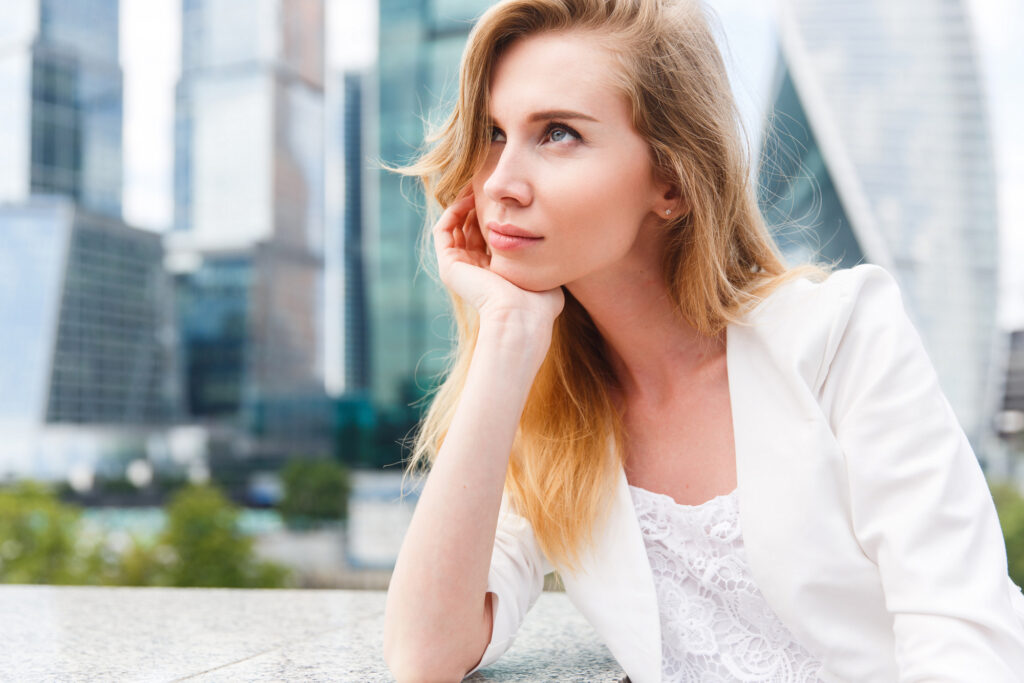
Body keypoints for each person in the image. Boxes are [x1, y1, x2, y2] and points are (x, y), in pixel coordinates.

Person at [381, 0, 1024, 680]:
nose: (501, 184)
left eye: (558, 133)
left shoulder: (841, 335)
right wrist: (506, 335)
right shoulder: (547, 409)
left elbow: (962, 631)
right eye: (493, 132)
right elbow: (426, 654)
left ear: (672, 181)